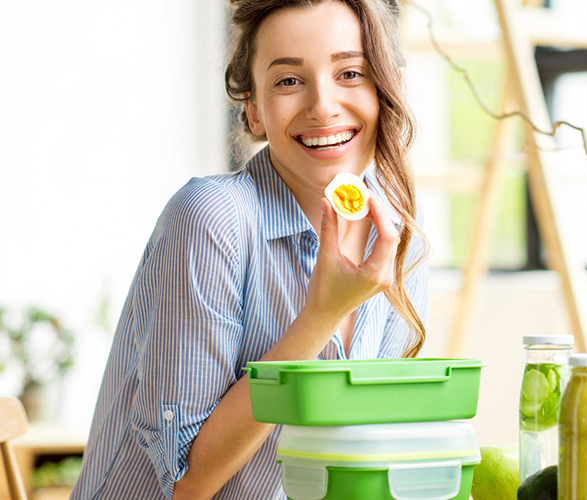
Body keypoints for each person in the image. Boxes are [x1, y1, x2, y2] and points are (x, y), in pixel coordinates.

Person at [70, 0, 428, 498]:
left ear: (388, 89)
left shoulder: (397, 230)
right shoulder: (212, 220)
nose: (323, 105)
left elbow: (365, 449)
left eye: (350, 73)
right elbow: (185, 483)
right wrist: (320, 316)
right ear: (254, 109)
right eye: (287, 81)